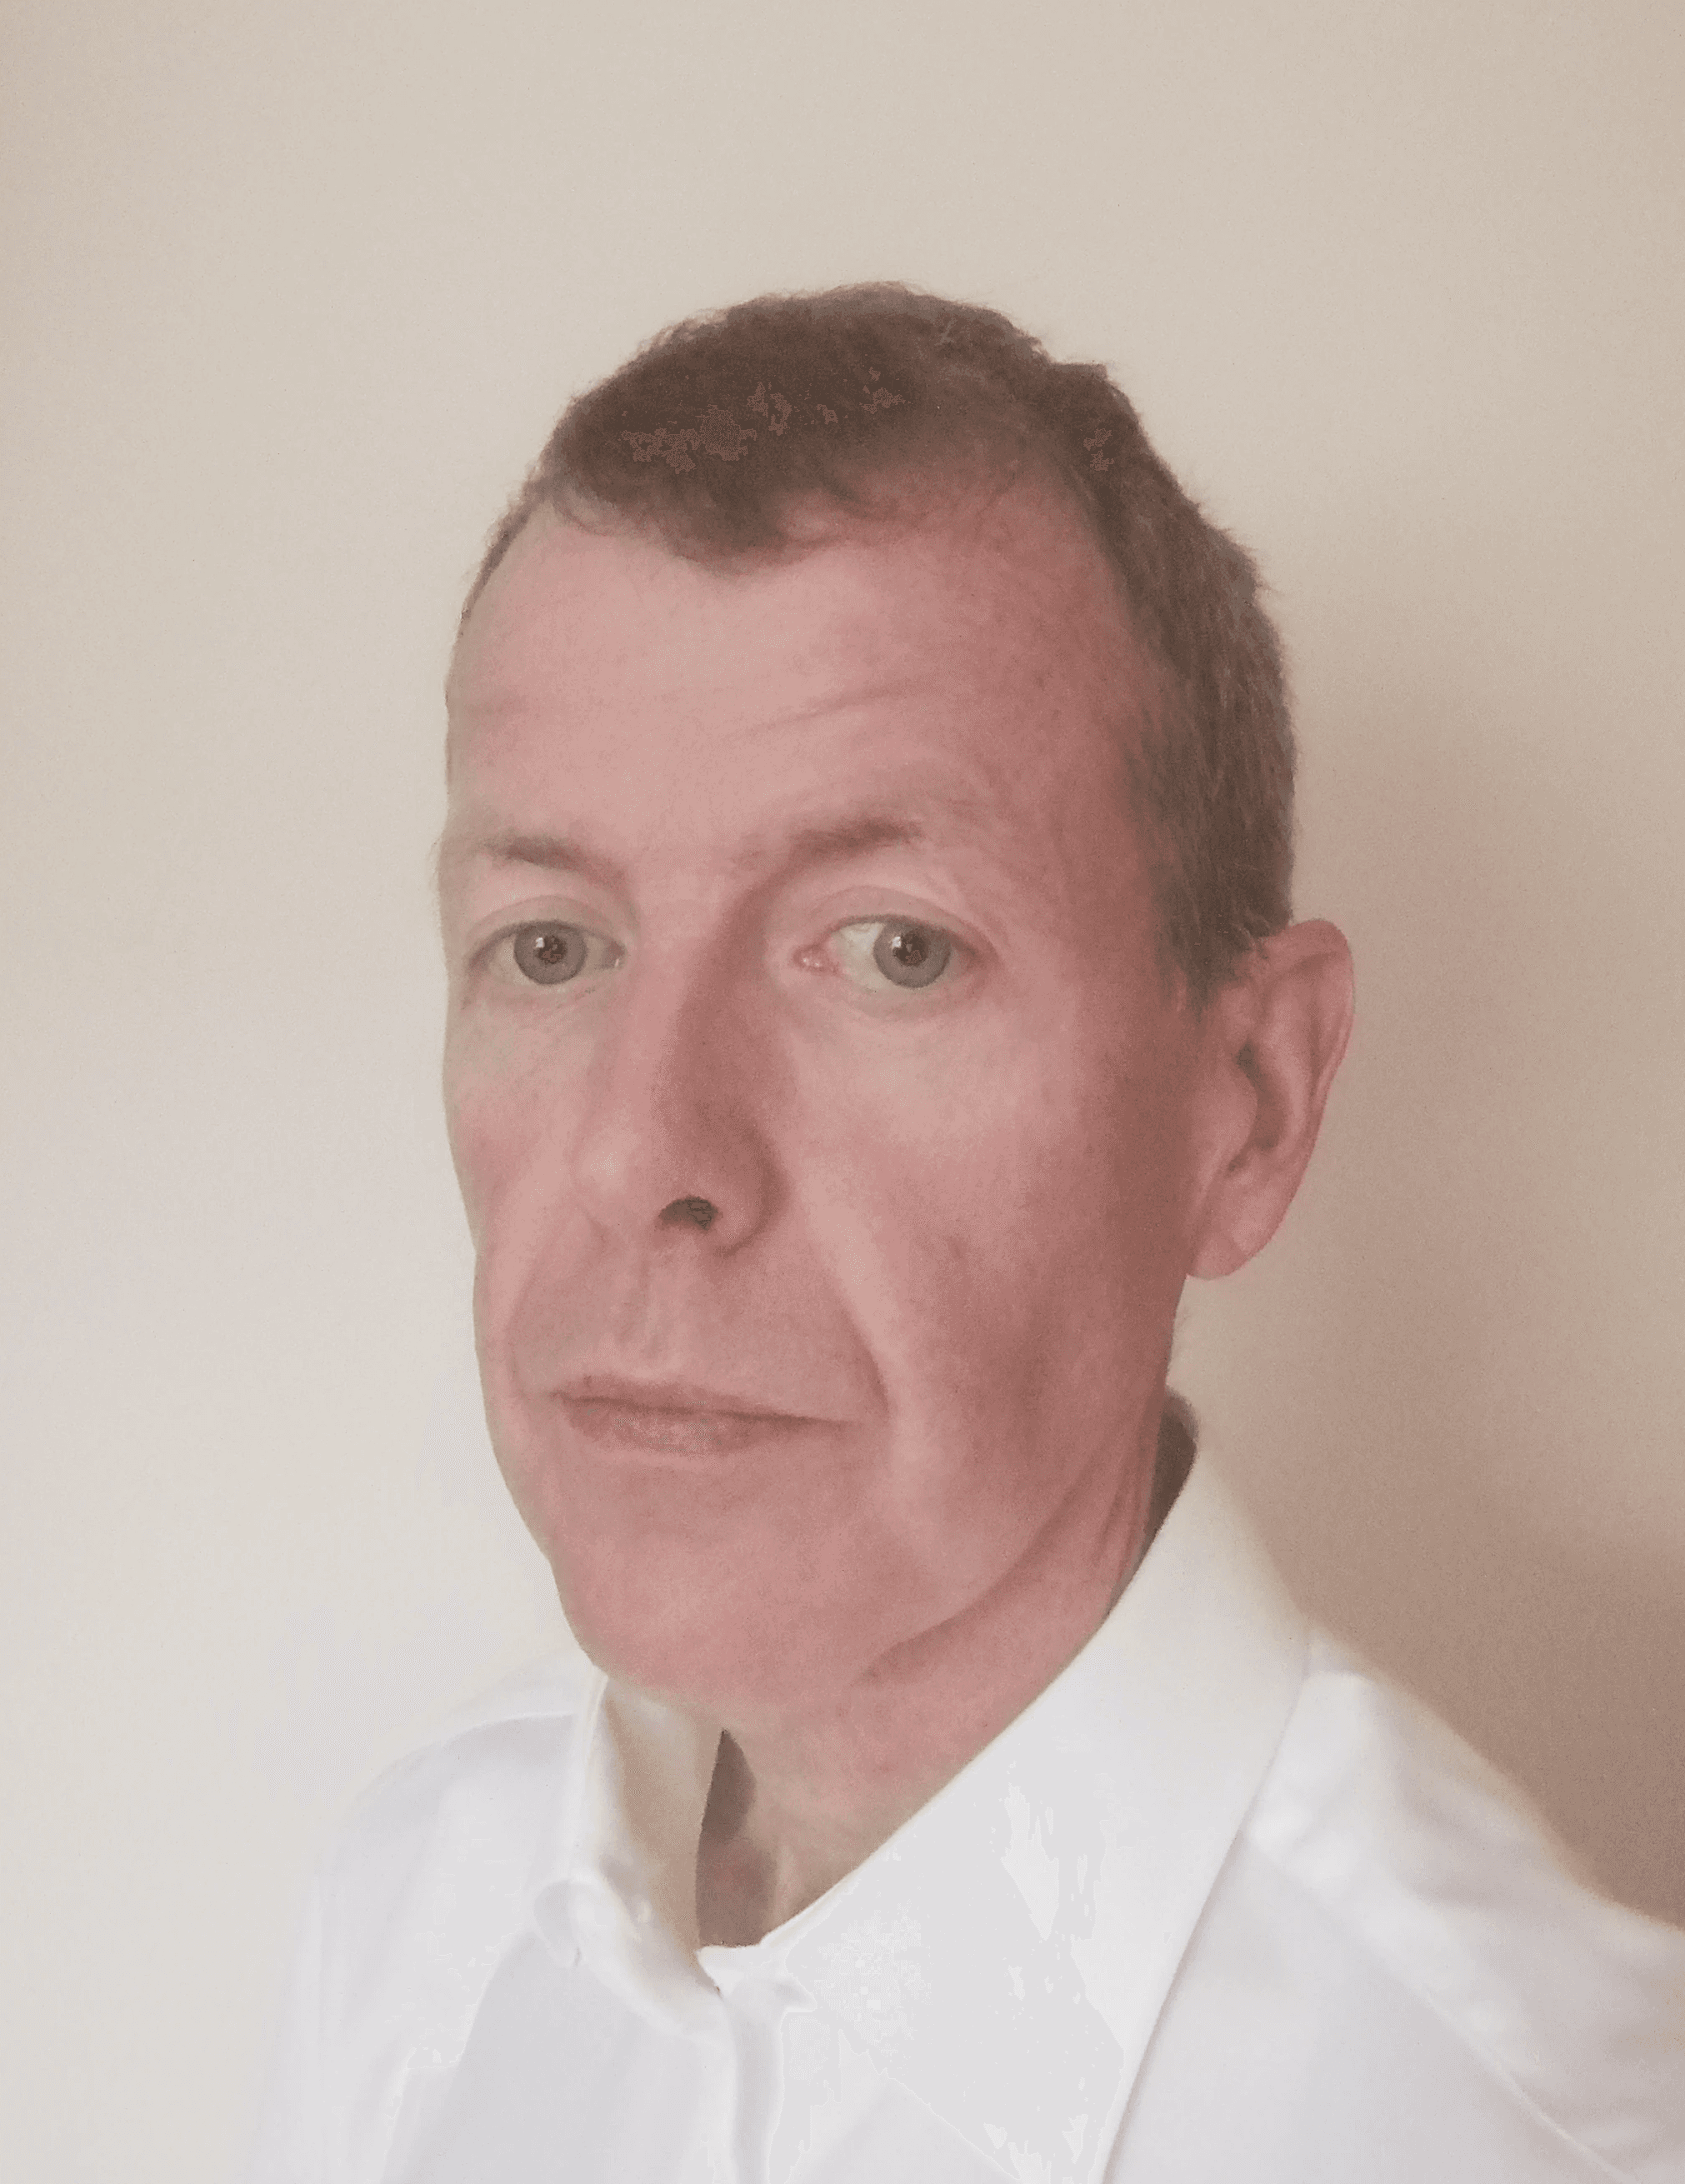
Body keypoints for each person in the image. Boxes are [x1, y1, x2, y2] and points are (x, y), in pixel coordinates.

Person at [249, 286, 1684, 2183]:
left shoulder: (1535, 2133)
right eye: (553, 946)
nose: (645, 1151)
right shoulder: (415, 1908)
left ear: (1248, 1098)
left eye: (896, 949)